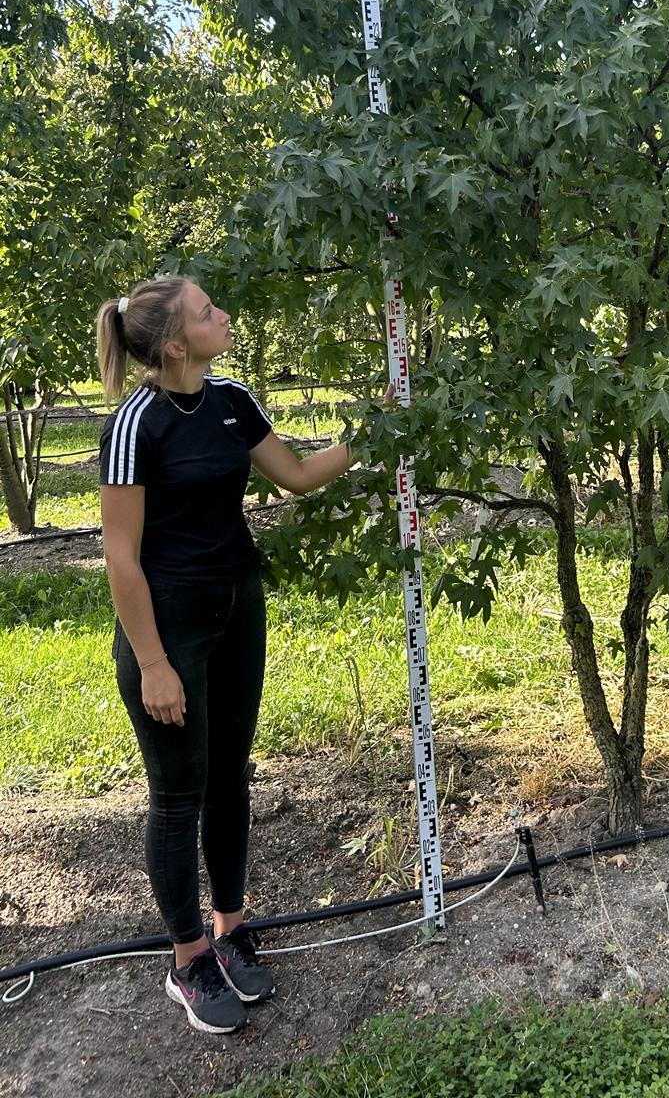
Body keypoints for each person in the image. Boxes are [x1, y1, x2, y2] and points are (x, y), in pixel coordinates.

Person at [96, 276, 355, 1034]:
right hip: (170, 628)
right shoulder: (136, 424)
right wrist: (152, 662)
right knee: (178, 794)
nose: (224, 316)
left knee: (228, 779)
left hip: (239, 610)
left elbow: (298, 477)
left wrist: (369, 437)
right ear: (175, 344)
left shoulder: (232, 399)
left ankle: (229, 926)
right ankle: (186, 961)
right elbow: (120, 557)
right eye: (208, 313)